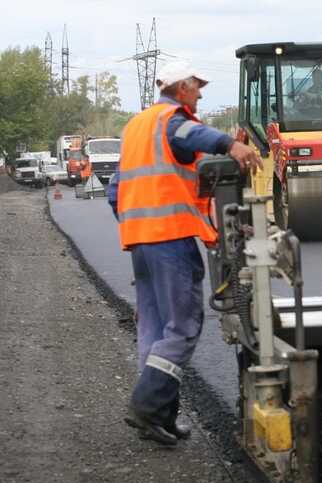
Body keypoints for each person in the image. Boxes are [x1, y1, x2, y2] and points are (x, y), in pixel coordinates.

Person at [107, 61, 262, 446]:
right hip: (170, 240)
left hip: (141, 242)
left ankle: (161, 416)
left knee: (155, 331)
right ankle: (144, 406)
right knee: (184, 327)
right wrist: (233, 144)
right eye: (197, 87)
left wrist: (138, 233)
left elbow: (116, 191)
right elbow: (195, 134)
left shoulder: (135, 127)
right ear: (182, 87)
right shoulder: (171, 121)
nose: (201, 94)